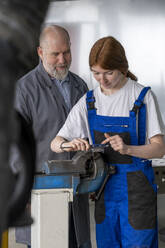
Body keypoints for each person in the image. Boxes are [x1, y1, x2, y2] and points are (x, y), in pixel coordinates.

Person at [51, 36, 165, 248]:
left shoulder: (142, 97)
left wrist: (128, 148)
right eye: (96, 73)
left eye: (108, 73)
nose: (102, 80)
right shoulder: (89, 101)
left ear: (122, 67)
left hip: (138, 197)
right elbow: (55, 143)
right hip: (105, 192)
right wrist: (70, 144)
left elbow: (159, 148)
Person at [12, 25, 91, 248]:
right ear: (40, 52)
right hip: (40, 191)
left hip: (77, 189)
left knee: (77, 242)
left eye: (66, 52)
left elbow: (87, 132)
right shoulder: (24, 90)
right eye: (55, 54)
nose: (62, 60)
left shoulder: (80, 85)